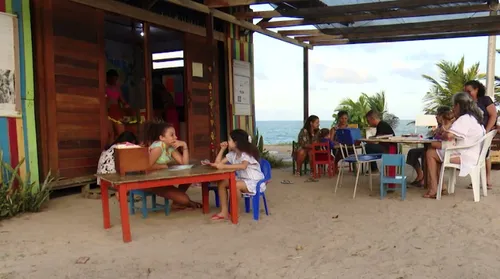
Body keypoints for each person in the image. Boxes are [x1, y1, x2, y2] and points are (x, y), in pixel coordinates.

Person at [423, 92, 485, 198]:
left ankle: (434, 188)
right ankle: (440, 186)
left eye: (454, 106)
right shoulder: (474, 118)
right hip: (473, 154)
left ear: (458, 105)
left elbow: (449, 136)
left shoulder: (464, 118)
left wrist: (443, 133)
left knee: (430, 153)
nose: (453, 108)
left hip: (466, 156)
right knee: (435, 151)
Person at [143, 121, 201, 209]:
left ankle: (179, 202)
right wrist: (164, 166)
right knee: (184, 200)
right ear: (162, 137)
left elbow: (184, 163)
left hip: (163, 178)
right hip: (153, 182)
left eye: (175, 134)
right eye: (172, 135)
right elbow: (146, 167)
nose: (176, 137)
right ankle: (185, 202)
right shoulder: (158, 148)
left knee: (189, 178)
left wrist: (184, 145)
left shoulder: (169, 147)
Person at [209, 129, 265, 221]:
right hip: (242, 179)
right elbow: (218, 163)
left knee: (234, 185)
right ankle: (224, 212)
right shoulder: (232, 154)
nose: (228, 141)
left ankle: (235, 211)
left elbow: (243, 166)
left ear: (236, 142)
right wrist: (222, 150)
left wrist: (224, 167)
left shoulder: (246, 154)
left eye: (230, 140)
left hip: (254, 182)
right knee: (222, 182)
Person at [406, 106, 454, 187]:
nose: (435, 117)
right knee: (412, 152)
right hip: (436, 147)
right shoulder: (440, 126)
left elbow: (441, 138)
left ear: (442, 116)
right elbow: (432, 135)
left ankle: (426, 180)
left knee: (427, 153)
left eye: (437, 115)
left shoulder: (447, 127)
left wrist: (437, 132)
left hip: (441, 149)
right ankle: (420, 175)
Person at [464, 80, 497, 189]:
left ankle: (486, 180)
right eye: (465, 91)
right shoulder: (467, 103)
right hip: (472, 134)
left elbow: (493, 115)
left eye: (469, 91)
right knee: (473, 155)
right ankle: (476, 178)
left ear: (476, 89)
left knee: (485, 155)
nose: (467, 94)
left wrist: (486, 131)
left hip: (484, 131)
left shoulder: (485, 100)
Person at [106, 69, 130, 144]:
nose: (114, 80)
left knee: (121, 132)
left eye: (116, 78)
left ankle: (121, 148)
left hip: (116, 111)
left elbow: (122, 99)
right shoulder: (104, 88)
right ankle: (110, 150)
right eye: (113, 78)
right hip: (107, 111)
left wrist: (126, 105)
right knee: (110, 133)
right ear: (108, 78)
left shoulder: (117, 88)